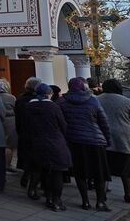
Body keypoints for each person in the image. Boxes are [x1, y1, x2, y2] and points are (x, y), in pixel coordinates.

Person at [60, 77, 112, 211]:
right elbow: (103, 122)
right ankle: (100, 202)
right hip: (95, 140)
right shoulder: (93, 100)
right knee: (99, 173)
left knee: (80, 173)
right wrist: (107, 139)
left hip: (74, 140)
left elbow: (60, 122)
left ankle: (85, 201)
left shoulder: (63, 101)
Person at [25, 83, 71, 211]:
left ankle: (48, 197)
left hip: (36, 142)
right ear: (48, 94)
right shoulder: (53, 107)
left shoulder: (29, 106)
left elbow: (25, 126)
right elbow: (63, 125)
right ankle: (55, 200)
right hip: (54, 142)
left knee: (43, 170)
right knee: (56, 173)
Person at [97, 79, 130, 203]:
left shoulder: (96, 100)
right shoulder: (127, 102)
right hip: (123, 139)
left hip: (102, 137)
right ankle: (128, 194)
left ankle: (102, 196)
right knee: (126, 170)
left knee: (104, 169)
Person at [15, 76, 41, 187]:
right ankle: (33, 183)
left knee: (27, 154)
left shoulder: (20, 98)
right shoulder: (38, 100)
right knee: (36, 156)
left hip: (23, 130)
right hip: (36, 132)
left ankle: (26, 174)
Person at [0, 78, 18, 172]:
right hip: (10, 121)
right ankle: (7, 165)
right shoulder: (12, 97)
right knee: (9, 145)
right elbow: (16, 109)